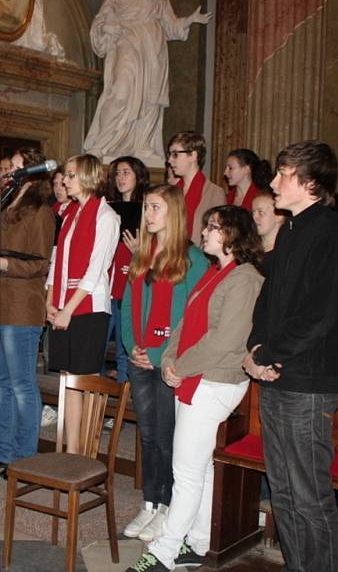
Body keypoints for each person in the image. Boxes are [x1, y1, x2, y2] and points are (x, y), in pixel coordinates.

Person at [126, 205, 264, 572]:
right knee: (200, 468)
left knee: (185, 471)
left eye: (212, 227)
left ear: (232, 234)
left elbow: (224, 341)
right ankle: (198, 542)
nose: (203, 232)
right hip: (193, 376)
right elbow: (184, 323)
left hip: (215, 380)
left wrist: (179, 367)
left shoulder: (245, 278)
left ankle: (164, 552)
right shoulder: (215, 273)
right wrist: (170, 360)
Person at [244, 140, 338, 572]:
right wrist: (255, 349)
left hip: (308, 382)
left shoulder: (331, 233)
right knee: (285, 492)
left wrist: (271, 354)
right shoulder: (291, 230)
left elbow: (323, 315)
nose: (273, 182)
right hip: (277, 374)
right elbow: (268, 301)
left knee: (310, 495)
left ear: (309, 183)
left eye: (283, 173)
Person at [121, 184, 208, 541]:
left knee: (170, 439)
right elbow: (127, 308)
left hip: (171, 364)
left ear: (173, 213)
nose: (148, 215)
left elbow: (193, 318)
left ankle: (171, 506)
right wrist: (132, 347)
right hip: (140, 360)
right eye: (146, 208)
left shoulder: (194, 259)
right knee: (149, 435)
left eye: (155, 208)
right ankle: (151, 503)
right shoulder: (143, 255)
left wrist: (157, 354)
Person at [0, 147, 56, 473]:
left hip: (21, 308)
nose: (10, 173)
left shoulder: (41, 212)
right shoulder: (1, 205)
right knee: (0, 383)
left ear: (34, 173)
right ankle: (3, 452)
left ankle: (24, 457)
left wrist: (2, 263)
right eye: (10, 168)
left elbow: (39, 264)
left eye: (19, 168)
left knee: (21, 385)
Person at [83, 0, 212, 164]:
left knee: (150, 100)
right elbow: (100, 21)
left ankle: (142, 144)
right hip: (127, 44)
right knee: (120, 92)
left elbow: (172, 25)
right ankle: (103, 143)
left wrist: (190, 19)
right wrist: (107, 28)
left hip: (153, 51)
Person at [46, 154, 119, 453]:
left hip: (88, 310)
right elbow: (57, 261)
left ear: (88, 176)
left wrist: (67, 309)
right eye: (65, 175)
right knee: (68, 379)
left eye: (71, 175)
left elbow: (95, 271)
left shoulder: (106, 216)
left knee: (85, 381)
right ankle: (71, 451)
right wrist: (49, 300)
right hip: (64, 305)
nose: (65, 180)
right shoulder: (69, 214)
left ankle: (86, 452)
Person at [105, 156, 150, 382]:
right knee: (97, 348)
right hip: (106, 285)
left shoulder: (148, 210)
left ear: (138, 176)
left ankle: (120, 410)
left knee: (124, 349)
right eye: (117, 173)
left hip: (128, 287)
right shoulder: (107, 208)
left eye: (126, 173)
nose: (120, 178)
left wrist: (138, 253)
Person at [166, 131, 225, 246]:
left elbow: (217, 237)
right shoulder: (172, 191)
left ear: (193, 156)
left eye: (175, 154)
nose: (169, 161)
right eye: (170, 155)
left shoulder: (215, 193)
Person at [251, 190, 285, 276]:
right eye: (253, 212)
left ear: (279, 217)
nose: (254, 217)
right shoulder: (249, 249)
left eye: (260, 212)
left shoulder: (284, 253)